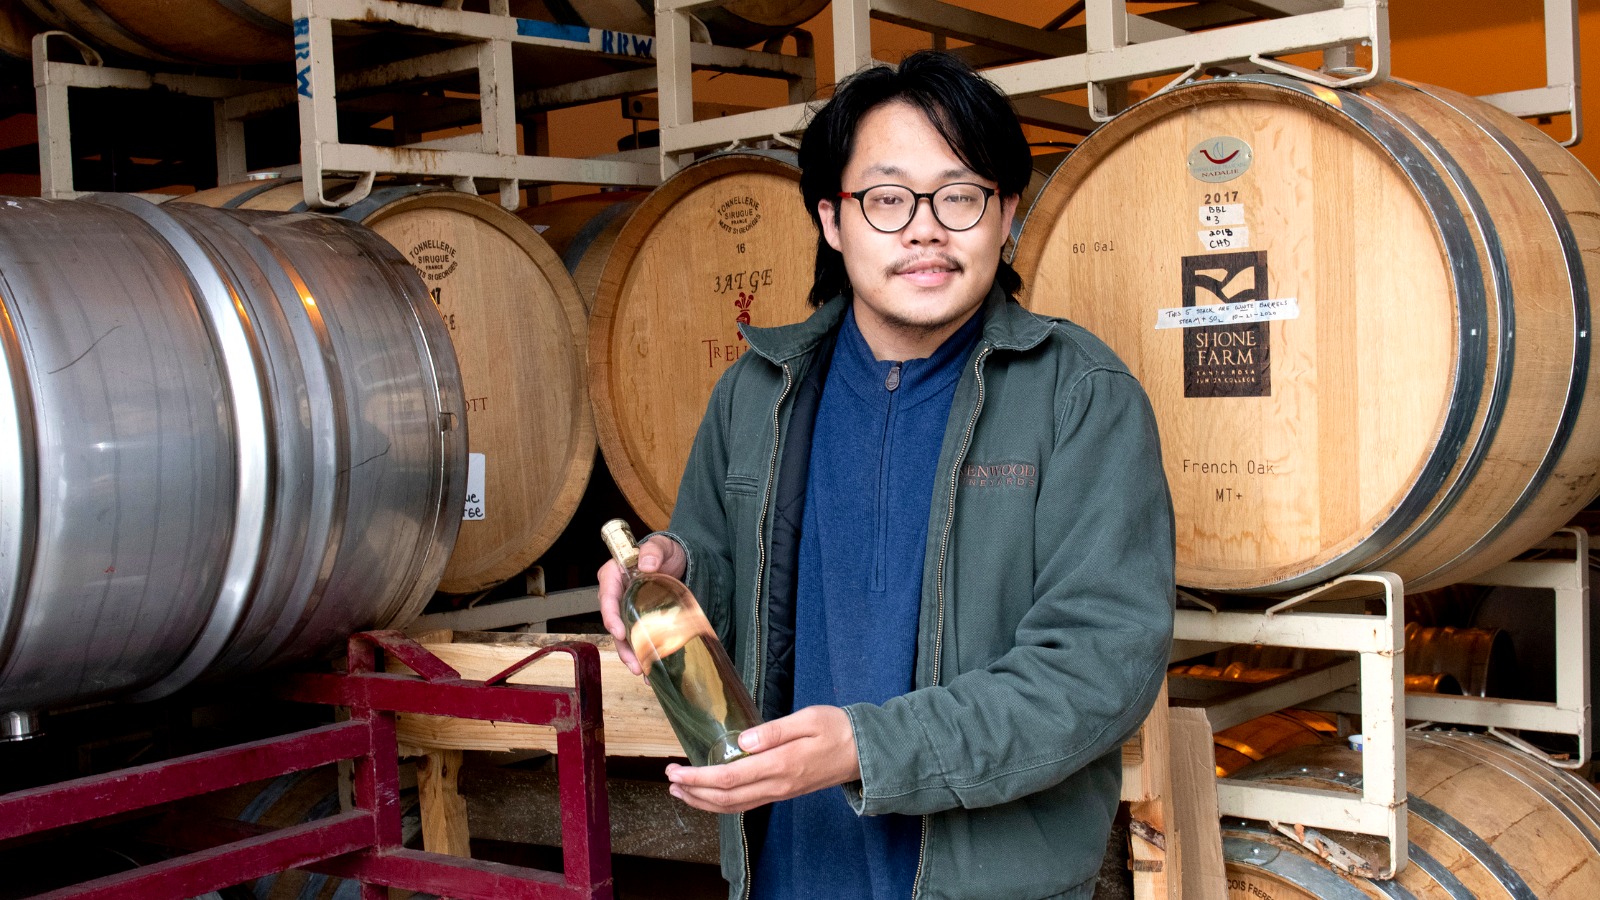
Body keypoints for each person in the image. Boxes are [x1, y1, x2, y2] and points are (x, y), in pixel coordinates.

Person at [598, 49, 1175, 900]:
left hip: (988, 884)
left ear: (1007, 214)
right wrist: (676, 569)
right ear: (833, 220)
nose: (924, 229)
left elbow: (1095, 667)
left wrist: (868, 750)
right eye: (887, 198)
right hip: (786, 871)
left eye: (961, 195)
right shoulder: (756, 394)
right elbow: (728, 591)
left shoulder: (1079, 397)